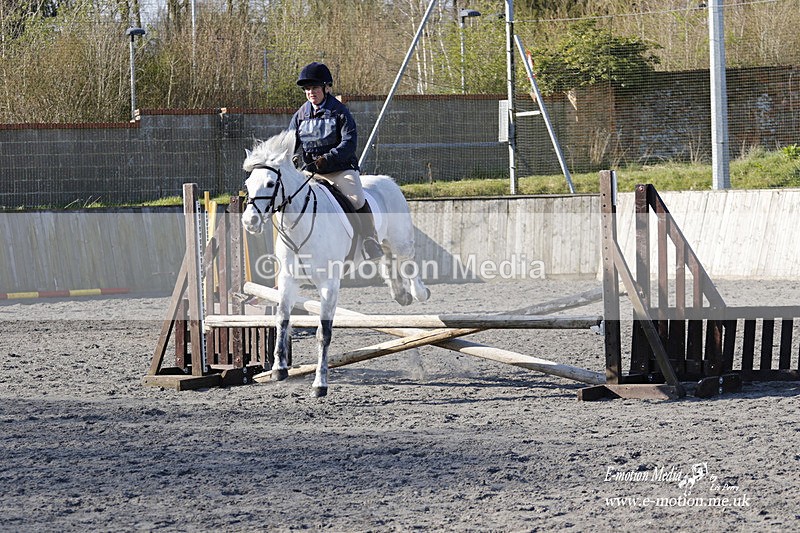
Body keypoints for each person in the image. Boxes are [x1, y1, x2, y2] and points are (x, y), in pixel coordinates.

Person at [288, 61, 384, 260]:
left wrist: (328, 159)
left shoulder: (340, 111)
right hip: (312, 172)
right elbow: (289, 142)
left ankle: (369, 239)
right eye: (307, 89)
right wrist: (288, 159)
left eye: (315, 87)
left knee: (357, 199)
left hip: (340, 169)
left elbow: (349, 142)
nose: (311, 92)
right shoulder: (300, 115)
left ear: (326, 87)